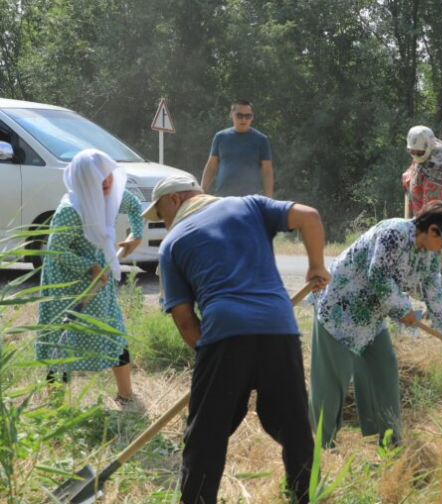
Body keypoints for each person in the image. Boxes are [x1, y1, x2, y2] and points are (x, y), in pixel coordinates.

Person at [143, 175, 330, 504]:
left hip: (224, 333)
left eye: (161, 214)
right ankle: (306, 496)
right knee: (294, 429)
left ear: (175, 200)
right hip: (279, 328)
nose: (164, 223)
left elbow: (185, 321)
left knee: (205, 437)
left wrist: (211, 360)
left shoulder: (172, 245)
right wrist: (316, 266)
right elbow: (309, 216)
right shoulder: (250, 204)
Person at [310, 200, 442, 447]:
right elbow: (378, 275)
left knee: (384, 368)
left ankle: (389, 440)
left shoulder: (428, 256)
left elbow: (435, 295)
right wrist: (401, 307)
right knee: (333, 380)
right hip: (340, 309)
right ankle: (322, 445)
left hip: (372, 315)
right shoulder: (393, 233)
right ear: (432, 230)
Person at [35, 149, 142, 405]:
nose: (106, 183)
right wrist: (89, 266)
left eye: (107, 176)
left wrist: (135, 236)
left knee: (113, 332)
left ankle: (126, 396)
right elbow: (55, 250)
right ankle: (56, 407)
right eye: (98, 179)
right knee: (63, 339)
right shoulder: (70, 211)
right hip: (68, 286)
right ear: (84, 180)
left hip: (99, 279)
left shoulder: (112, 196)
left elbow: (136, 206)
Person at [403, 125, 442, 305]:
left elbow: (432, 205)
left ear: (428, 147)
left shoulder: (438, 165)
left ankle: (441, 304)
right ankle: (438, 302)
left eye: (418, 152)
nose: (415, 154)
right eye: (411, 151)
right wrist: (409, 175)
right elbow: (415, 165)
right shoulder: (428, 151)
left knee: (437, 262)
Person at [200, 99, 274, 197]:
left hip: (249, 200)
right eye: (239, 115)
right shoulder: (220, 137)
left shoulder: (261, 139)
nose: (244, 119)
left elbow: (267, 171)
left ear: (252, 117)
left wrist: (269, 198)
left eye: (248, 116)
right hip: (222, 197)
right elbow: (211, 166)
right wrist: (201, 191)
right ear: (231, 115)